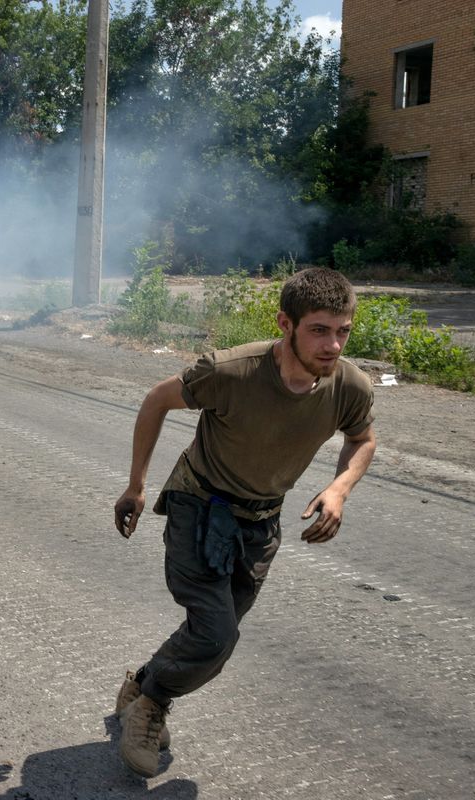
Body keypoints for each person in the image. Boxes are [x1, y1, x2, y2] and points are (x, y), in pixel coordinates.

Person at [111, 267, 376, 777]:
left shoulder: (349, 386)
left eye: (343, 330)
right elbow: (156, 401)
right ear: (286, 323)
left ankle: (143, 682)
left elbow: (362, 439)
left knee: (215, 630)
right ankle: (151, 706)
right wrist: (136, 485)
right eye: (319, 330)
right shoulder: (231, 371)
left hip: (261, 523)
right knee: (216, 635)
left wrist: (339, 489)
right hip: (199, 506)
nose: (334, 345)